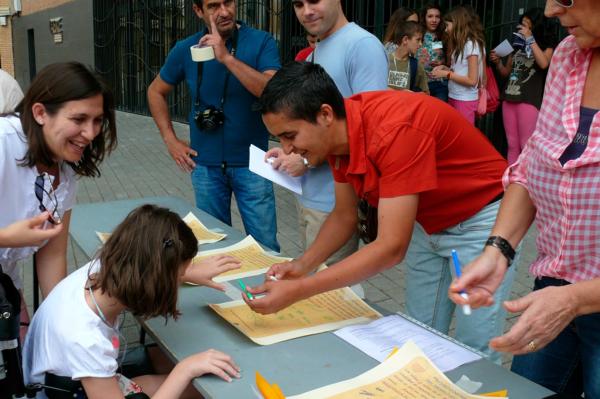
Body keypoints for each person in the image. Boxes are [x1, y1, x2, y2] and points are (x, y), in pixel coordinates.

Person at [247, 62, 516, 363]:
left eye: (290, 135)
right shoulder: (338, 136)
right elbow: (344, 215)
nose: (287, 149)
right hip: (429, 224)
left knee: (475, 349)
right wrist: (303, 265)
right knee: (421, 336)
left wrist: (301, 290)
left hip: (481, 221)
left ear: (324, 114)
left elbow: (390, 247)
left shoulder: (394, 130)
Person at [449, 0, 600, 396]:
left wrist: (575, 299)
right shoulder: (569, 55)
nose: (551, 10)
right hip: (553, 288)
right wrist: (498, 250)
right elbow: (534, 164)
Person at [23, 204, 241, 399]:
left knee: (187, 372)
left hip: (68, 378)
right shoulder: (86, 339)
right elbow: (89, 350)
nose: (177, 284)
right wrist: (185, 369)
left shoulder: (109, 265)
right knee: (194, 383)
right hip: (64, 391)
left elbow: (147, 265)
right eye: (176, 277)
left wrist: (188, 273)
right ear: (157, 281)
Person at [147, 0, 280, 252]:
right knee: (214, 246)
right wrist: (170, 140)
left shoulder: (261, 42)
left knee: (265, 246)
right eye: (213, 6)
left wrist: (226, 58)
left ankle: (268, 291)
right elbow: (155, 91)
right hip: (205, 166)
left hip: (254, 163)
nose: (224, 11)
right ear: (198, 11)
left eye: (228, 2)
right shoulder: (186, 49)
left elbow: (271, 91)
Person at [265, 0, 388, 265]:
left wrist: (306, 159)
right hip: (309, 195)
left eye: (314, 1)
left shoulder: (361, 46)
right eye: (298, 4)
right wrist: (292, 148)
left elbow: (372, 131)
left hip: (338, 203)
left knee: (330, 294)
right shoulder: (315, 53)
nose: (306, 11)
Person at [0, 61, 117, 300]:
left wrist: (58, 319)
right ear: (40, 113)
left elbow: (52, 256)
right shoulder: (3, 142)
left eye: (97, 120)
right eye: (79, 119)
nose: (91, 133)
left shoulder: (64, 170)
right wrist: (4, 238)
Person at [490, 8, 557, 164]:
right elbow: (506, 72)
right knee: (512, 145)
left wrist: (530, 39)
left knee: (526, 144)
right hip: (509, 97)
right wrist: (498, 62)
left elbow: (543, 63)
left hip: (529, 99)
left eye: (528, 24)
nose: (523, 28)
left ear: (537, 26)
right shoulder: (516, 44)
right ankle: (512, 182)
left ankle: (526, 184)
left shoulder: (547, 45)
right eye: (523, 24)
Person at [432, 6, 485, 124]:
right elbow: (461, 71)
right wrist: (445, 68)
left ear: (457, 24)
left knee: (463, 139)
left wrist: (447, 74)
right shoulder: (461, 45)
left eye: (447, 25)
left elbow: (472, 80)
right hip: (455, 96)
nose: (446, 30)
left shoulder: (471, 44)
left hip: (464, 100)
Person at [416, 3, 448, 101]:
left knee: (440, 113)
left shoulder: (444, 35)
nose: (434, 20)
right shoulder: (417, 34)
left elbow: (452, 60)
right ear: (424, 18)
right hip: (420, 83)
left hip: (440, 83)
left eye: (437, 17)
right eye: (430, 16)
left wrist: (442, 63)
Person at [387, 21, 430, 94]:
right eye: (418, 40)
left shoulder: (416, 65)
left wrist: (416, 95)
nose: (420, 44)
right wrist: (400, 93)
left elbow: (426, 93)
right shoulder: (385, 60)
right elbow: (375, 86)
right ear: (405, 40)